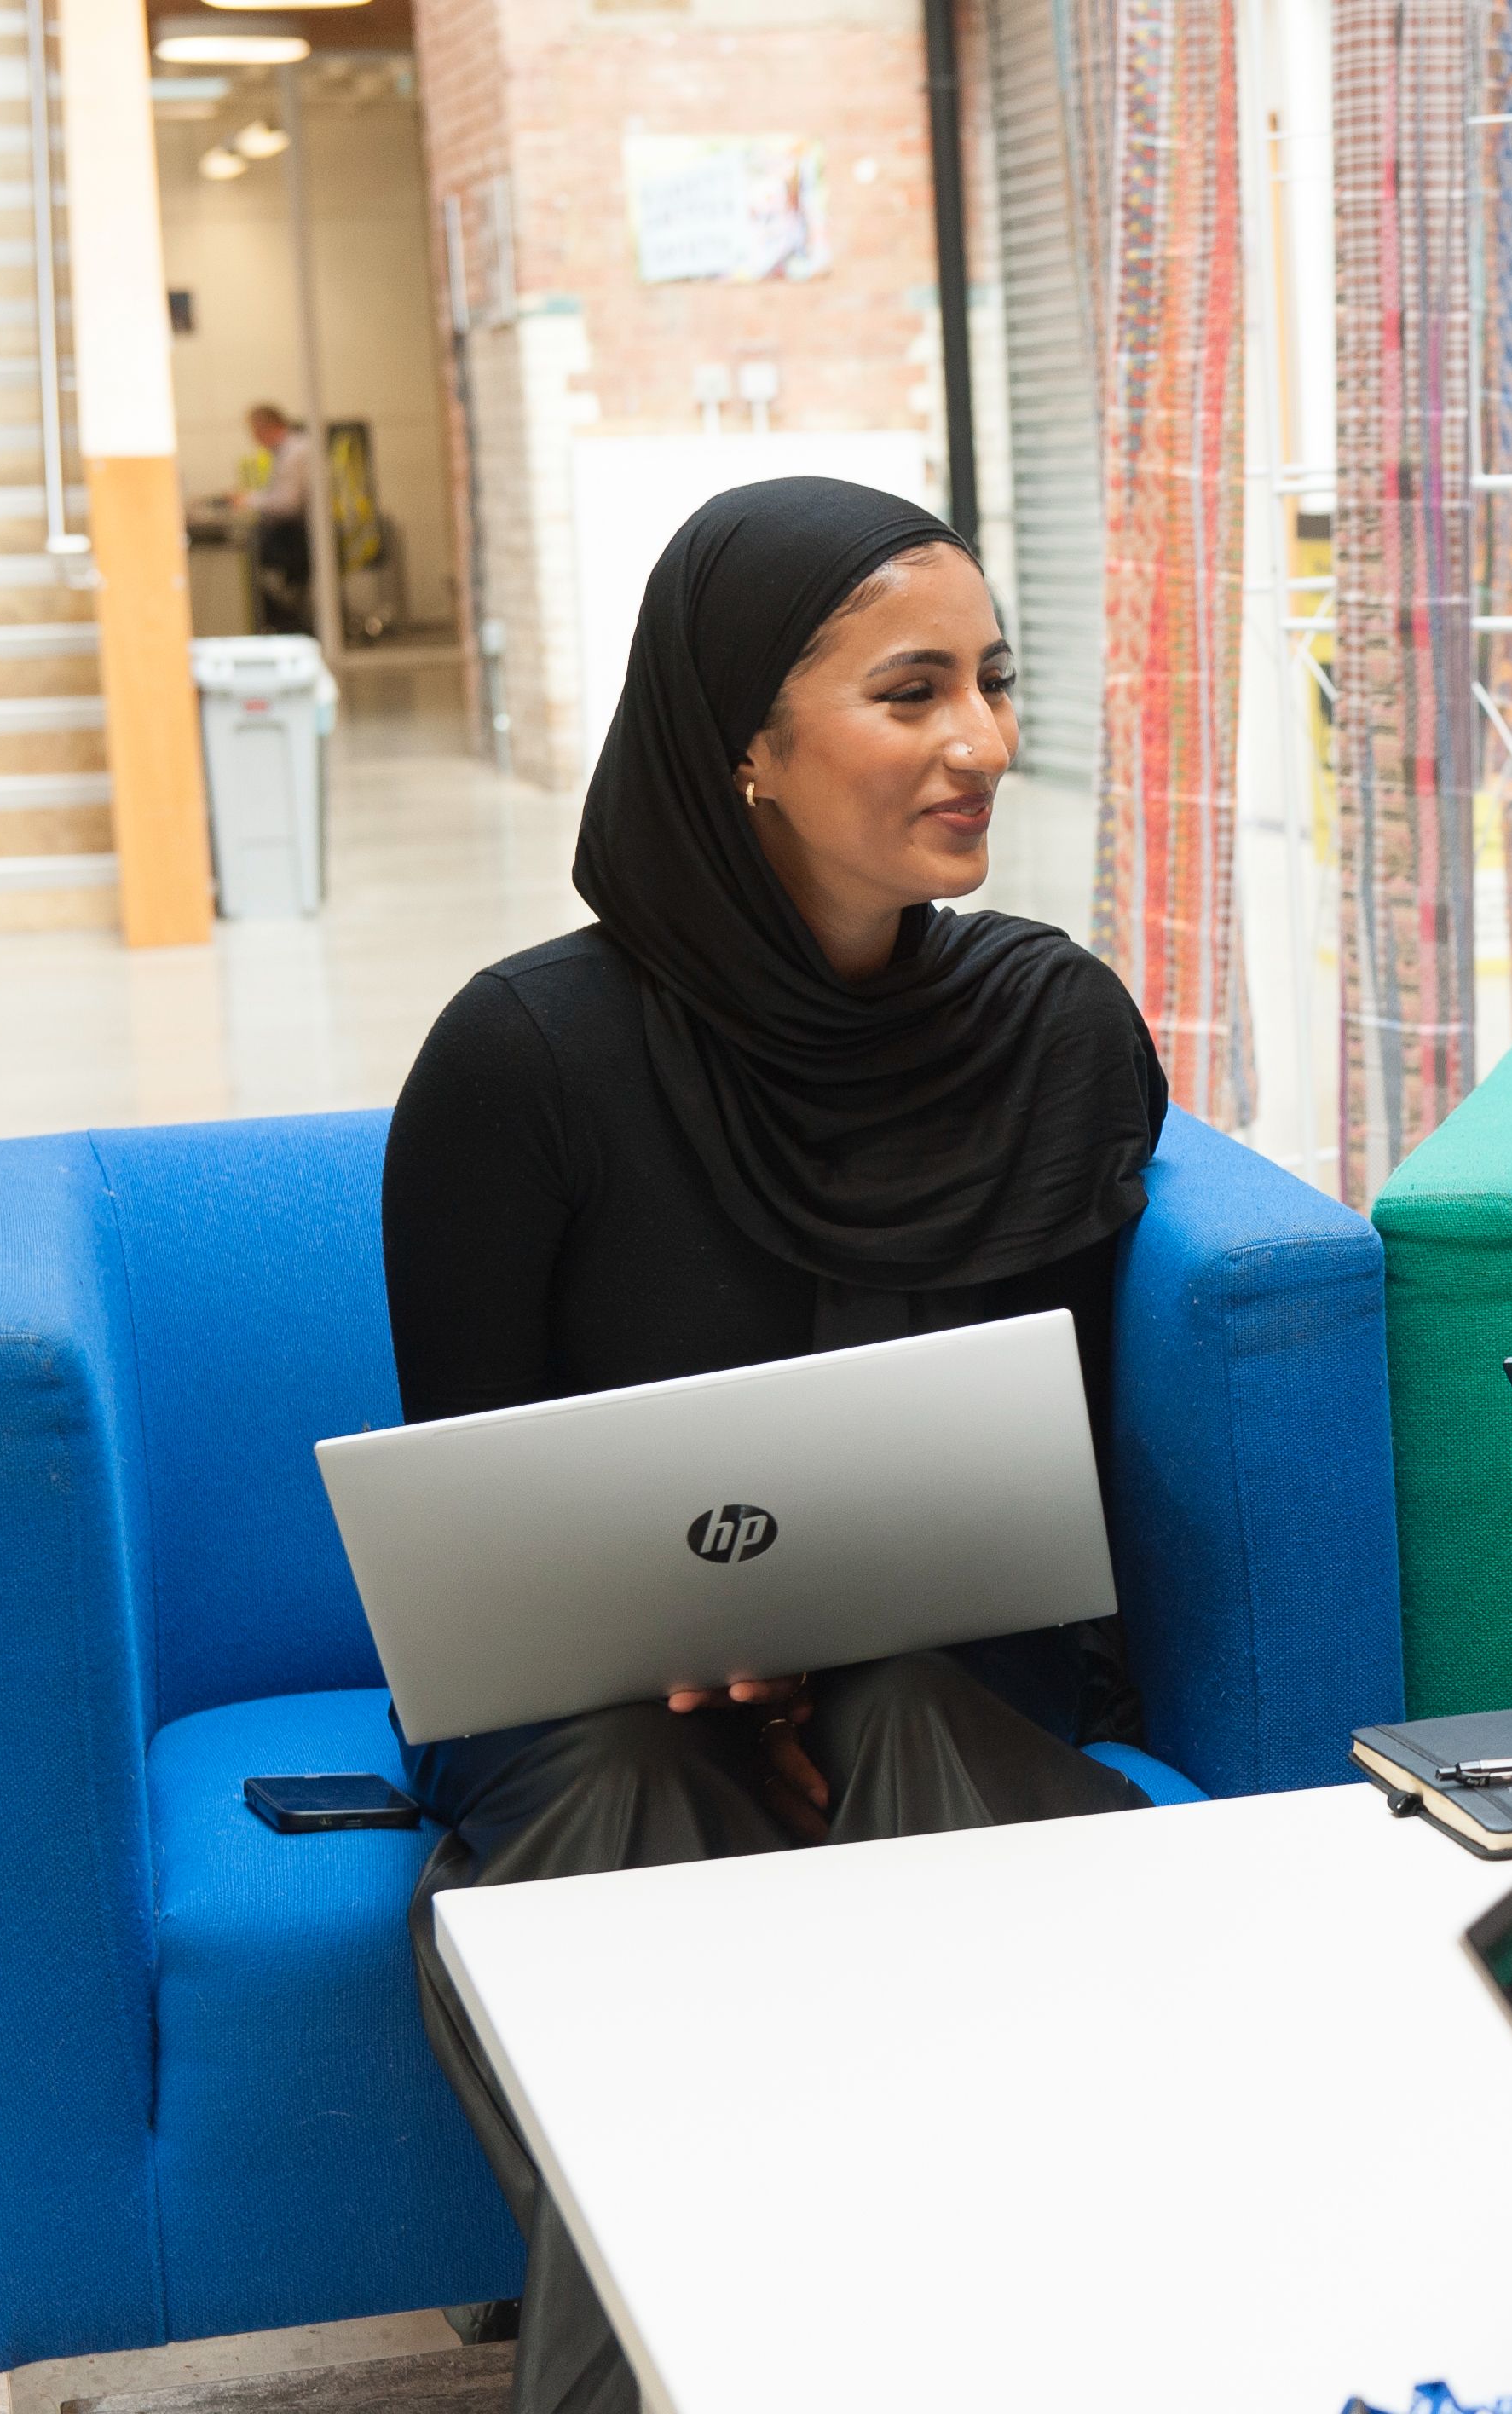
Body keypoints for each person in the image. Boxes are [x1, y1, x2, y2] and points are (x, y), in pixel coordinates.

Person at [381, 478, 1169, 2414]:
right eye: (913, 693)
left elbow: (1041, 1471)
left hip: (939, 1657)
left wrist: (834, 1625)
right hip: (586, 1698)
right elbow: (472, 1529)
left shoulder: (1053, 1031)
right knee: (628, 1777)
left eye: (994, 682)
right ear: (742, 741)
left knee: (910, 1707)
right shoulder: (525, 1062)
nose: (982, 741)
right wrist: (664, 1623)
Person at [244, 403, 313, 635]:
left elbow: (288, 504)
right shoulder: (287, 451)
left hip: (300, 537)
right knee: (242, 558)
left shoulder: (296, 453)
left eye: (255, 432)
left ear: (267, 428)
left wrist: (247, 501)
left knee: (241, 563)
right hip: (295, 532)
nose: (255, 440)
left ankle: (287, 623)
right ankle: (286, 621)